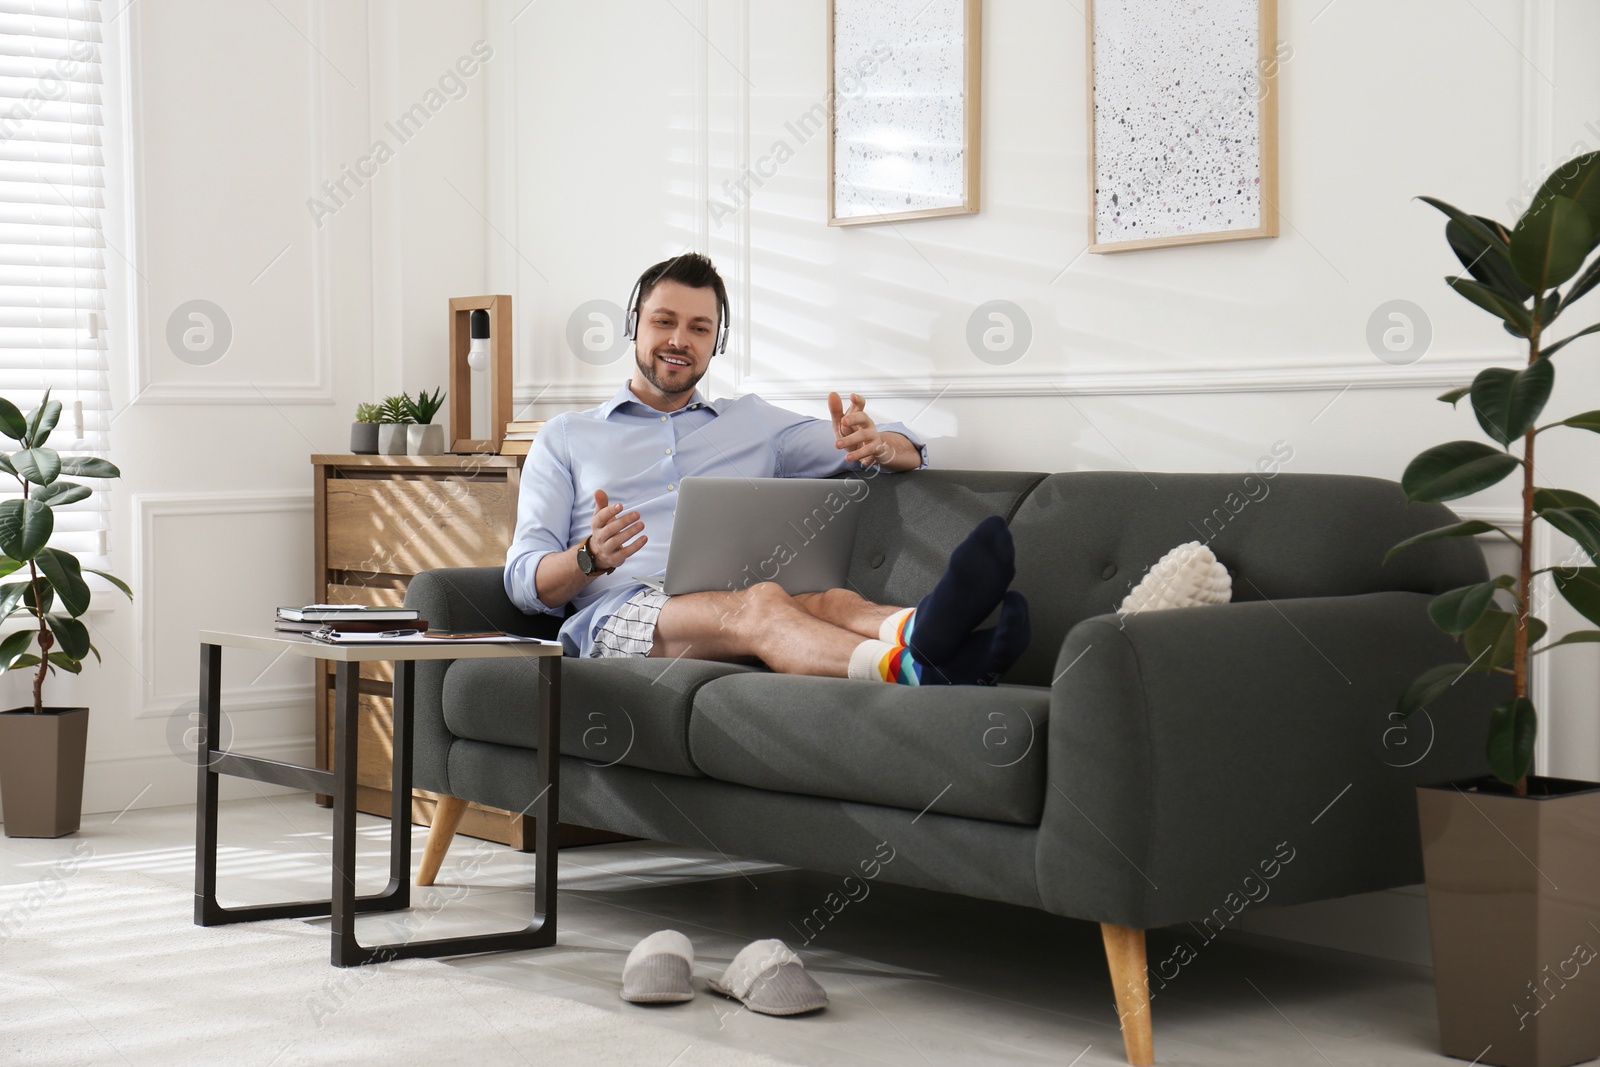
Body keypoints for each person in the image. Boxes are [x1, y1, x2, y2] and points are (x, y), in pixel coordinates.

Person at [505, 253, 1030, 685]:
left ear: (717, 341)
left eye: (699, 327)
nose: (678, 341)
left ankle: (923, 632)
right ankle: (908, 667)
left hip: (740, 598)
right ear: (634, 325)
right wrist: (588, 558)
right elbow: (523, 581)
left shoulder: (753, 422)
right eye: (664, 321)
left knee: (829, 599)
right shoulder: (566, 436)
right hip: (621, 618)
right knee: (760, 606)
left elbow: (899, 450)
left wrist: (876, 442)